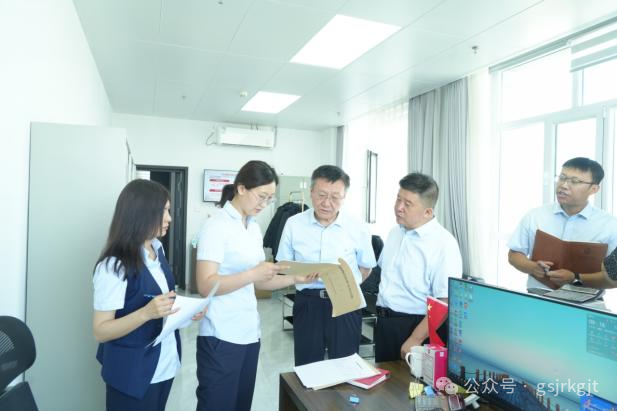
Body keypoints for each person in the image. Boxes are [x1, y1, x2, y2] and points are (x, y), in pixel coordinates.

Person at [195, 160, 317, 411]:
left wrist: (295, 279)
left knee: (241, 405)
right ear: (241, 188)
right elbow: (205, 285)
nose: (264, 203)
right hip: (221, 335)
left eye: (270, 199)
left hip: (249, 333)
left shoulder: (252, 227)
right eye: (261, 196)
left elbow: (262, 280)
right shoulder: (216, 226)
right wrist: (252, 273)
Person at [93, 179, 205, 411]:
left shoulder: (157, 249)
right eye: (163, 211)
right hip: (131, 374)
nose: (169, 218)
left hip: (163, 365)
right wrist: (145, 313)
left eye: (168, 211)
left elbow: (162, 301)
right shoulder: (114, 266)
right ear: (140, 213)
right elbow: (101, 331)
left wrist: (185, 311)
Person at [276, 165, 376, 366]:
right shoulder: (294, 224)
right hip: (308, 303)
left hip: (346, 302)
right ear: (311, 192)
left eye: (335, 197)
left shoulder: (357, 227)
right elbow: (284, 266)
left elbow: (366, 267)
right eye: (321, 195)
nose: (327, 203)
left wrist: (345, 286)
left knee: (346, 365)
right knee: (308, 365)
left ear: (344, 197)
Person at [374, 172, 462, 362]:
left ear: (427, 212)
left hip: (417, 328)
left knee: (410, 381)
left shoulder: (443, 244)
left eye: (408, 204)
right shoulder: (395, 233)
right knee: (385, 379)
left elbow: (444, 301)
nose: (399, 207)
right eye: (398, 199)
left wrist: (416, 338)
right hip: (385, 324)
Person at [508, 157, 617, 290]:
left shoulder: (610, 226)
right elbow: (514, 254)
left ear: (594, 189)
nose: (564, 185)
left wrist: (575, 278)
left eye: (575, 181)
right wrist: (533, 267)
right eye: (562, 178)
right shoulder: (535, 215)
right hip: (538, 295)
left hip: (587, 300)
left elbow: (614, 278)